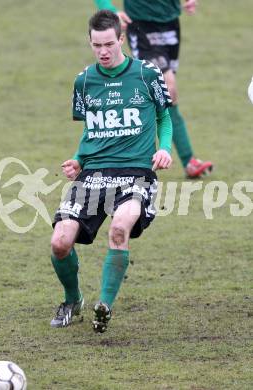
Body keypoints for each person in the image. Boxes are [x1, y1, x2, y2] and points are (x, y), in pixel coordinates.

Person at [50, 10, 172, 333]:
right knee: (60, 241)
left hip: (135, 174)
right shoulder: (84, 81)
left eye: (108, 44)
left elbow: (165, 117)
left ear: (121, 39)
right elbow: (93, 130)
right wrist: (78, 159)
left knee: (119, 227)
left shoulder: (147, 75)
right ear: (90, 43)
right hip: (93, 174)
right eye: (96, 45)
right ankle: (72, 298)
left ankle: (103, 305)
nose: (103, 51)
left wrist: (164, 148)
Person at [94, 0, 213, 178]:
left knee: (163, 94)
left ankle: (188, 161)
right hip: (142, 25)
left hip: (171, 22)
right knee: (168, 88)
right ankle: (184, 159)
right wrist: (110, 10)